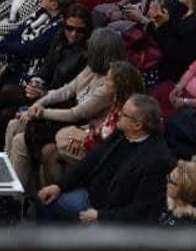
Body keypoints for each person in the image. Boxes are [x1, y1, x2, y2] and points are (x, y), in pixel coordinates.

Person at [36, 93, 172, 223]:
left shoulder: (157, 160)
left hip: (112, 219)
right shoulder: (122, 132)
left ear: (137, 125)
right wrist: (59, 186)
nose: (118, 115)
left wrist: (100, 216)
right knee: (44, 200)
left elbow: (139, 212)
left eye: (123, 114)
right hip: (90, 198)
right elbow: (91, 160)